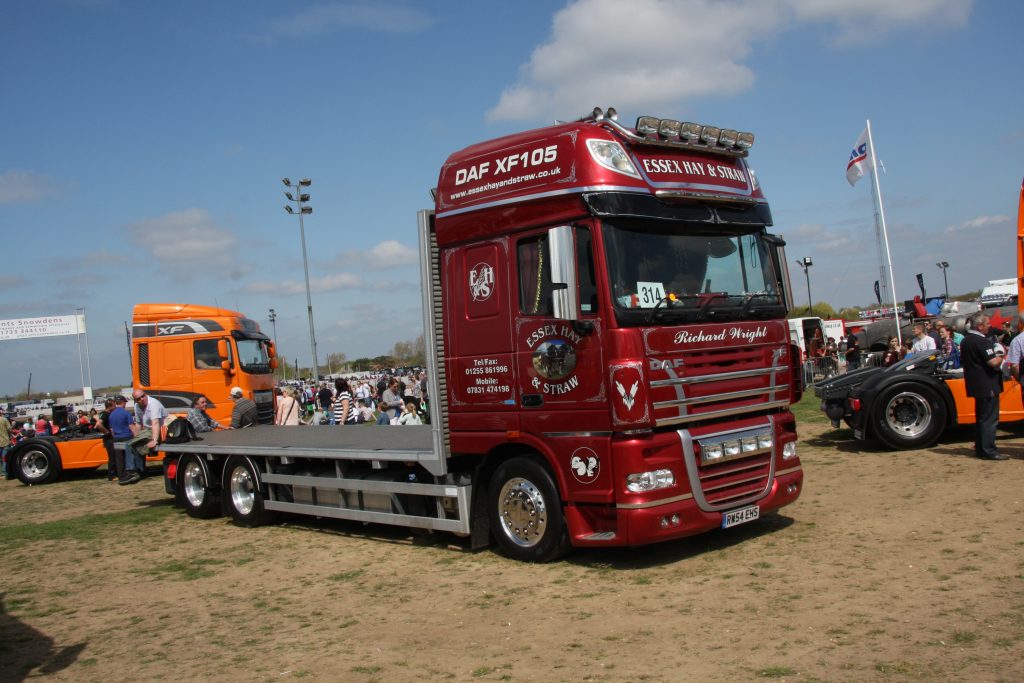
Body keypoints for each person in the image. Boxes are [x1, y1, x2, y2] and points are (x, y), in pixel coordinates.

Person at [960, 312, 1007, 461]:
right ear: (980, 326)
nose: (990, 326)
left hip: (976, 385)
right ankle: (989, 450)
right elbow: (993, 362)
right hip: (988, 384)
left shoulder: (966, 340)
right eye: (987, 324)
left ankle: (981, 449)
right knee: (990, 419)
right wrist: (1001, 353)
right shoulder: (981, 341)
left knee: (981, 418)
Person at [127, 390, 168, 483]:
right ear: (135, 400)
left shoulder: (153, 404)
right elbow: (138, 424)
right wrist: (136, 437)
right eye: (138, 399)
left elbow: (156, 423)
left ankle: (133, 471)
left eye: (143, 396)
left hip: (161, 429)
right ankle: (139, 470)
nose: (142, 399)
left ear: (146, 394)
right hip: (148, 430)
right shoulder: (137, 406)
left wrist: (155, 440)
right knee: (133, 444)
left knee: (129, 444)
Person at [109, 396, 134, 483]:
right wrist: (136, 436)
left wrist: (114, 438)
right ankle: (130, 473)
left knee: (119, 458)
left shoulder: (111, 415)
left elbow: (111, 430)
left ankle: (121, 476)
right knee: (129, 456)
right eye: (125, 403)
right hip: (127, 437)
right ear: (123, 402)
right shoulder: (126, 413)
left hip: (116, 438)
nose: (125, 404)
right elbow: (131, 426)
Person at [95, 399, 117, 480]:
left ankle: (115, 473)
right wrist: (107, 432)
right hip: (109, 439)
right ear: (110, 406)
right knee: (112, 457)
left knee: (114, 456)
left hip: (109, 439)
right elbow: (98, 424)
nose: (115, 407)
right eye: (114, 405)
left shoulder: (103, 414)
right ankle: (112, 475)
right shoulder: (105, 414)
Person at [0, 412, 11, 478]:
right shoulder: (4, 419)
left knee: (1, 459)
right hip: (5, 441)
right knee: (5, 458)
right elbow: (9, 429)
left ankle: (2, 473)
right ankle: (4, 473)